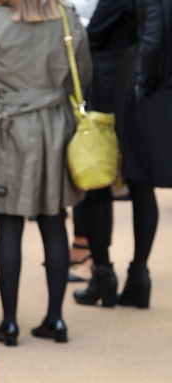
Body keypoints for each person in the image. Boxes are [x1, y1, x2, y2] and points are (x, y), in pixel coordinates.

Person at [0, 0, 92, 345]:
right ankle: (56, 319)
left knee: (9, 223)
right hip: (54, 128)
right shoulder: (65, 16)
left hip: (7, 130)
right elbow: (83, 75)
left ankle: (9, 324)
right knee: (54, 219)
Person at [73, 0, 170, 310]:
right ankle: (139, 276)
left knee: (97, 181)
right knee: (141, 185)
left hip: (113, 86)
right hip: (144, 90)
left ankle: (103, 276)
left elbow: (96, 31)